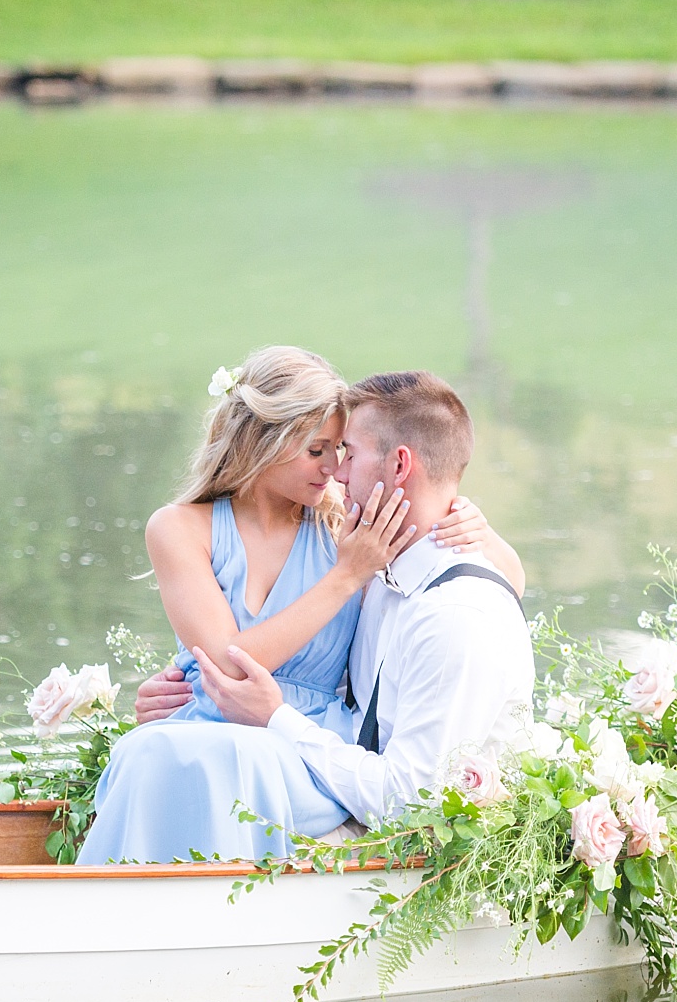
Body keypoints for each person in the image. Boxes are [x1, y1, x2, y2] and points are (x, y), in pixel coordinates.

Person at [76, 348, 522, 864]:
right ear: (262, 445)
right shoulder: (179, 528)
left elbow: (490, 589)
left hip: (303, 739)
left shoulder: (340, 524)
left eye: (340, 450)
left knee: (208, 758)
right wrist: (347, 575)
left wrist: (476, 527)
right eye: (318, 450)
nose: (334, 469)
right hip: (208, 718)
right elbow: (226, 665)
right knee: (152, 751)